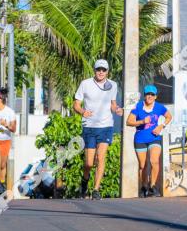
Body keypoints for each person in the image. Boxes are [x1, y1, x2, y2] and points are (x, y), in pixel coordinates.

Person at [73, 59, 124, 200]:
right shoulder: (85, 84)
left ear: (107, 71)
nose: (101, 72)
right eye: (98, 69)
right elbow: (76, 104)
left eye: (104, 70)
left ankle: (96, 189)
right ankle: (85, 180)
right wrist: (82, 112)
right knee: (89, 163)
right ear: (94, 70)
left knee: (101, 158)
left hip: (106, 126)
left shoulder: (112, 85)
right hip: (89, 126)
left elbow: (113, 104)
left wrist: (117, 109)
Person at [127, 85, 171, 197]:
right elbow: (129, 122)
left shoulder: (159, 107)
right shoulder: (137, 107)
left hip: (154, 138)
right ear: (144, 95)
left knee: (154, 161)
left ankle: (153, 186)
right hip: (140, 139)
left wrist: (161, 126)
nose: (150, 96)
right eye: (148, 94)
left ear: (155, 97)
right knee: (143, 165)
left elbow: (169, 116)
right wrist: (142, 121)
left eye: (152, 95)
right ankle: (144, 187)